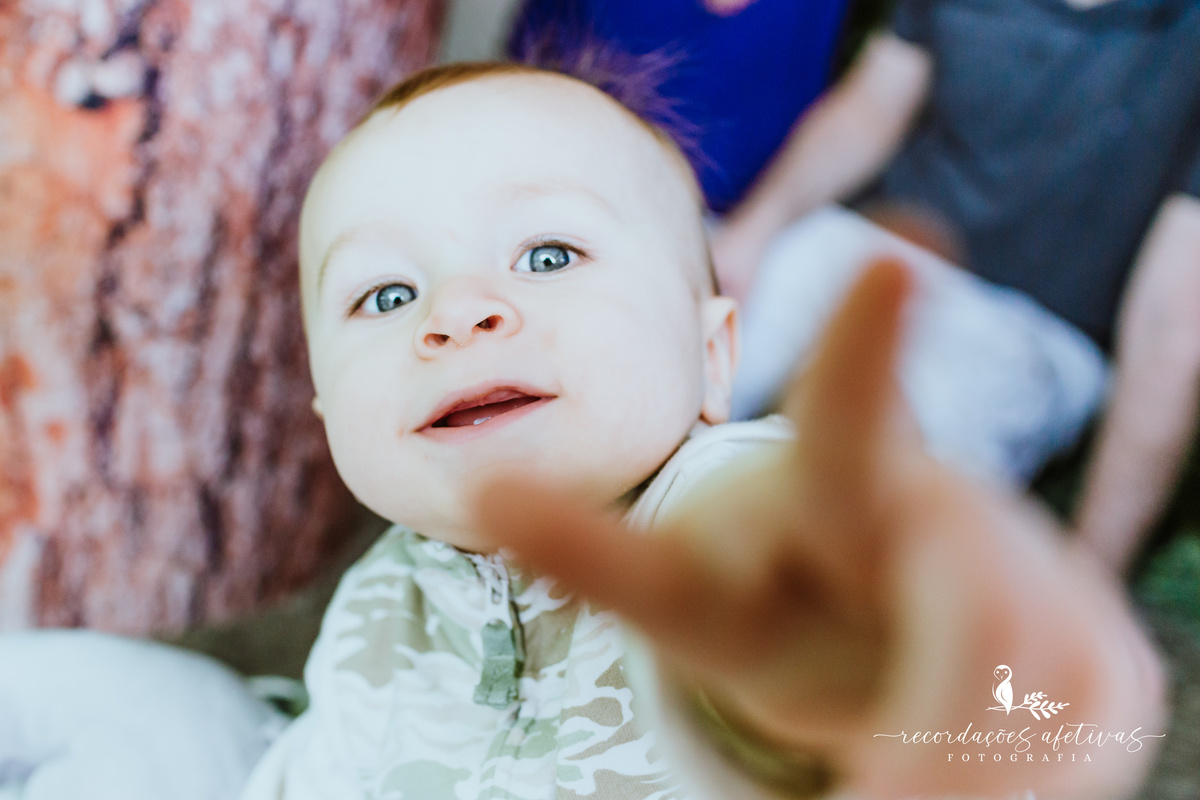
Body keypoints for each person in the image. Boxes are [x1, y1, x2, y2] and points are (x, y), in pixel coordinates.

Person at [234, 58, 1167, 800]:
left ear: (714, 358)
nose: (458, 309)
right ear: (325, 410)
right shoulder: (371, 614)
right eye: (385, 294)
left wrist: (891, 640)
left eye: (548, 253)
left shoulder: (735, 527)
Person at [710, 0, 1200, 573]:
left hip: (1024, 323)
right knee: (696, 346)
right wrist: (755, 228)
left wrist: (1090, 576)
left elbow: (1175, 321)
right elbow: (870, 109)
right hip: (867, 239)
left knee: (876, 485)